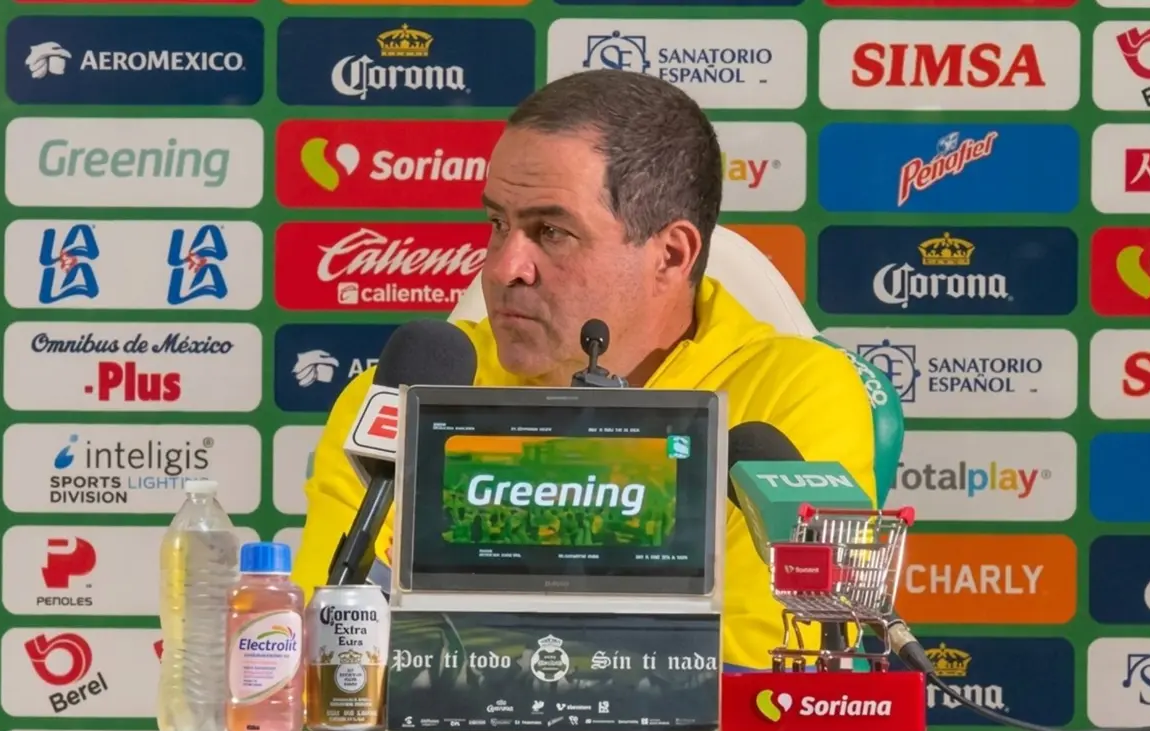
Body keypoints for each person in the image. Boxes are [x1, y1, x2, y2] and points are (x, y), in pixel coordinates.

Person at [291, 69, 877, 671]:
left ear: (670, 255)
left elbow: (769, 663)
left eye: (551, 231)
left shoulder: (795, 391)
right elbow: (333, 652)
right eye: (498, 224)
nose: (503, 268)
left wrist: (467, 648)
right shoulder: (403, 393)